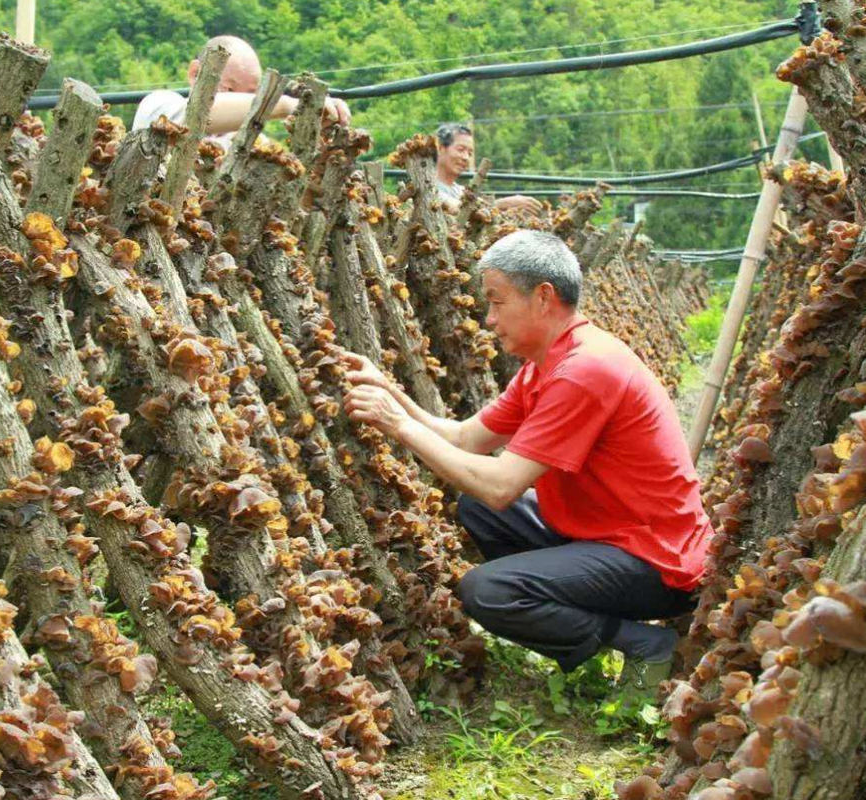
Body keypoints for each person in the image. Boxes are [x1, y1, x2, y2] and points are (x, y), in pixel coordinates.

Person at [341, 229, 711, 694]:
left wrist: (398, 425)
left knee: (487, 591)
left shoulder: (585, 370)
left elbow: (502, 484)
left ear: (543, 297)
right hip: (607, 534)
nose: (490, 319)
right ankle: (581, 631)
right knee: (477, 509)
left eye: (497, 303)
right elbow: (468, 437)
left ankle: (641, 642)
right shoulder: (546, 364)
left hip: (656, 560)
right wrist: (388, 392)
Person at [131, 35, 351, 138]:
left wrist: (321, 138)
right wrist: (284, 105)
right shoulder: (159, 103)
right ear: (195, 74)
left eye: (251, 95)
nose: (242, 102)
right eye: (229, 89)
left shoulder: (254, 143)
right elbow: (197, 117)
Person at [434, 122, 542, 216]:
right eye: (460, 150)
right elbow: (456, 209)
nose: (466, 157)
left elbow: (480, 205)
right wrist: (504, 204)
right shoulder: (426, 188)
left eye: (470, 153)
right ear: (440, 148)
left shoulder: (461, 191)